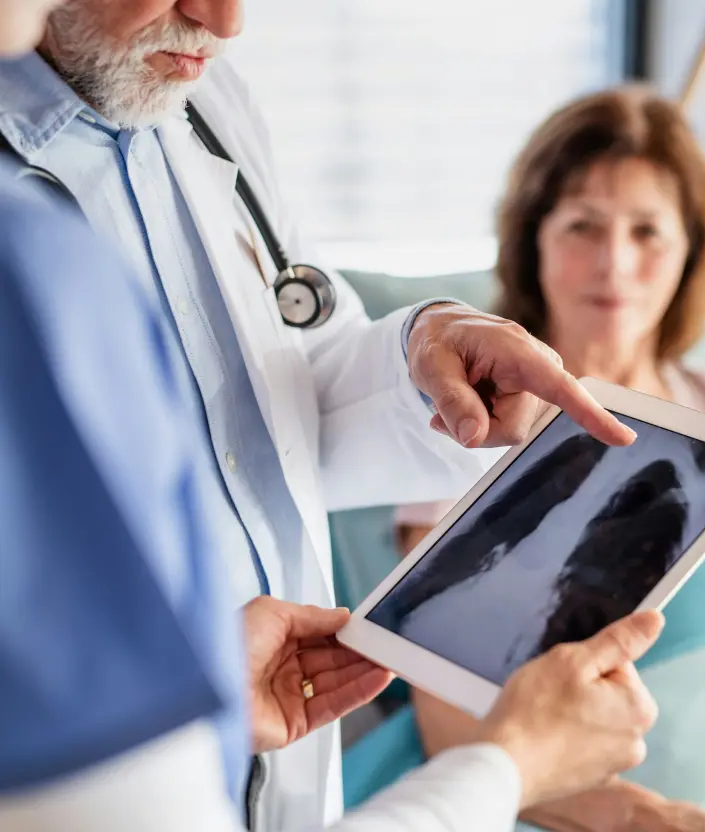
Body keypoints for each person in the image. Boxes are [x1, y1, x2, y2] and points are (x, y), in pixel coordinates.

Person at [0, 4, 666, 831]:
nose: (226, 21)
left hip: (277, 728)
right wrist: (508, 769)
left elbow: (266, 398)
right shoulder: (26, 262)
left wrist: (424, 352)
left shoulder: (204, 102)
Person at [390, 86, 705, 830]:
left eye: (648, 231)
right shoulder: (470, 413)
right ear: (535, 238)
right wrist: (639, 817)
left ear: (690, 251)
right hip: (533, 799)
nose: (613, 263)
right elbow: (446, 714)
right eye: (583, 225)